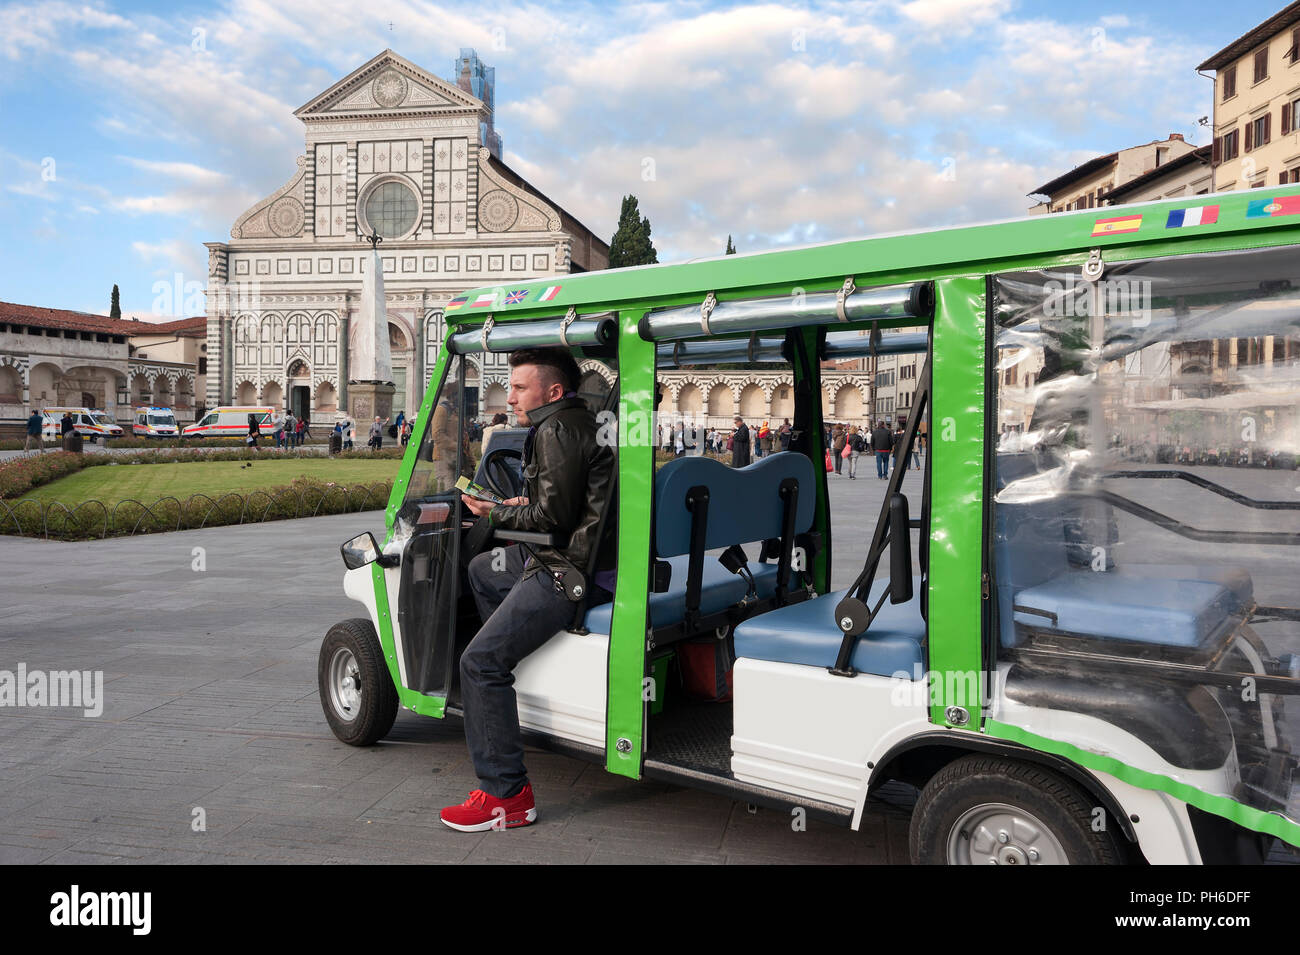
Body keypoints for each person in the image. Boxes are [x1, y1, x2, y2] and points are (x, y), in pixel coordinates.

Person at [443, 347, 616, 832]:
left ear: (553, 391)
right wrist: (523, 500)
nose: (511, 396)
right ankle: (515, 660)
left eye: (520, 388)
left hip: (568, 568)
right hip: (586, 555)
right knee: (482, 570)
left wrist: (495, 512)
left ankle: (506, 796)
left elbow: (552, 521)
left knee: (477, 663)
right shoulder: (580, 421)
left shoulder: (556, 429)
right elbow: (561, 502)